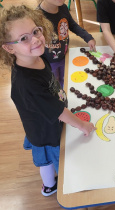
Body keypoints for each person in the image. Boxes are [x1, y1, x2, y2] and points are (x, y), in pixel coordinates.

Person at [0, 5, 96, 197]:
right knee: (50, 161)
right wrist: (83, 125)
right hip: (46, 132)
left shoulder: (36, 55)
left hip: (48, 117)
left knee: (49, 158)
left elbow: (50, 89)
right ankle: (50, 186)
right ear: (9, 48)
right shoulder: (27, 84)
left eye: (35, 31)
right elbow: (58, 112)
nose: (35, 39)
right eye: (23, 38)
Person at [38, 0, 96, 88]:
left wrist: (87, 37)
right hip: (48, 62)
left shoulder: (63, 8)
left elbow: (72, 25)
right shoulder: (37, 17)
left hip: (65, 55)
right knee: (53, 84)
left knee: (65, 80)